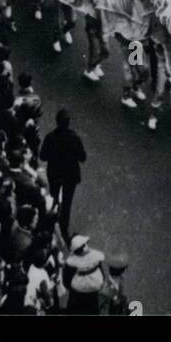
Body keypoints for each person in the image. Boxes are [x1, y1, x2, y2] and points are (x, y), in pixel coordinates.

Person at [40, 109, 87, 239]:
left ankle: (52, 221)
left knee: (54, 197)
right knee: (67, 202)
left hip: (54, 174)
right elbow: (82, 157)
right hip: (70, 175)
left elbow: (43, 156)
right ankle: (63, 228)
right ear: (68, 123)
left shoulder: (50, 137)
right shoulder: (75, 138)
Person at [63, 234, 106, 313]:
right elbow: (102, 274)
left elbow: (66, 281)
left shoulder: (71, 263)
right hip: (93, 292)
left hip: (76, 294)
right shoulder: (95, 258)